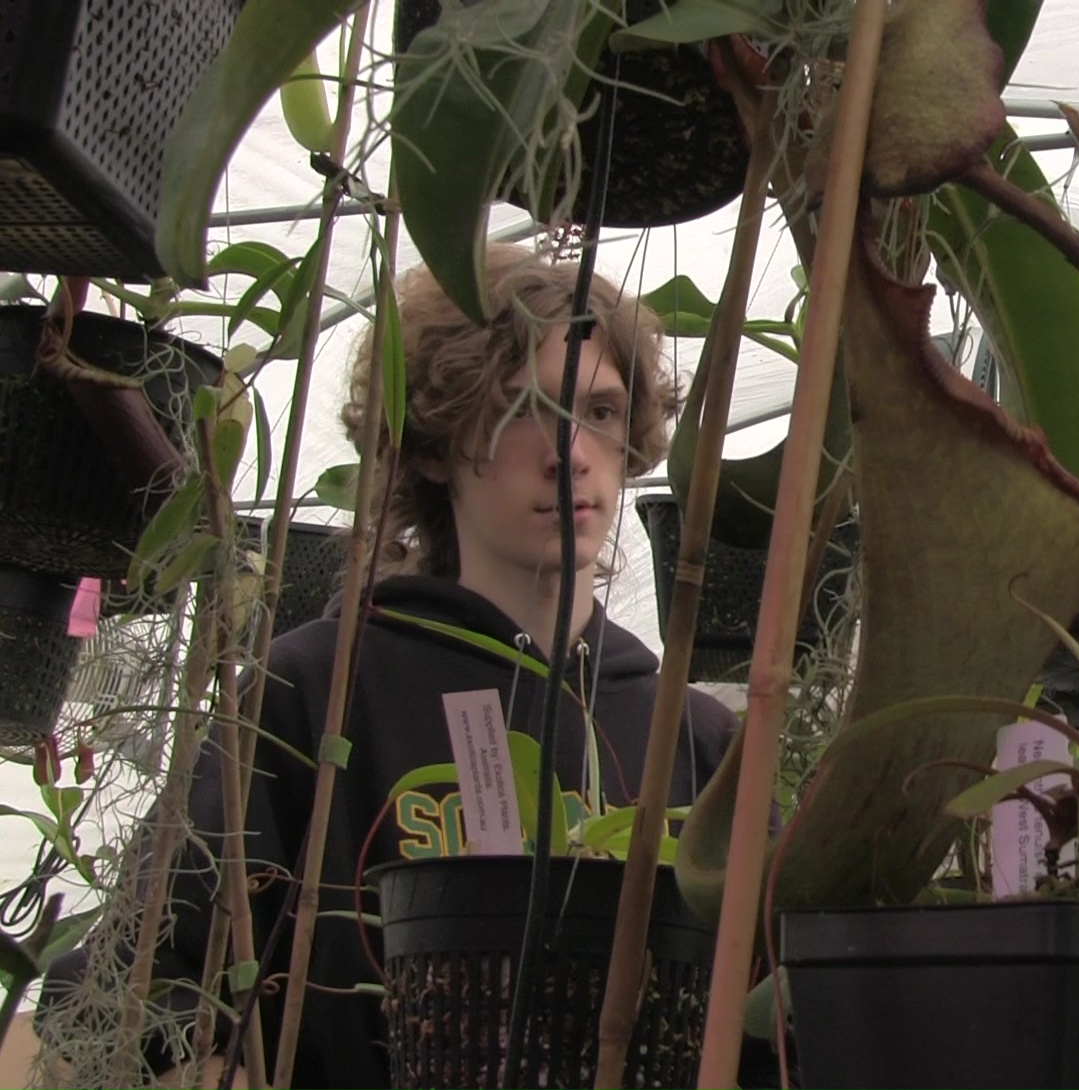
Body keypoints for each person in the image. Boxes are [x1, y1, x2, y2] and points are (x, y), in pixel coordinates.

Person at [39, 245, 741, 1089]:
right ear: (434, 444)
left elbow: (773, 1024)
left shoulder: (693, 740)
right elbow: (132, 990)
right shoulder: (316, 693)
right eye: (520, 408)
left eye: (600, 410)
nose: (569, 451)